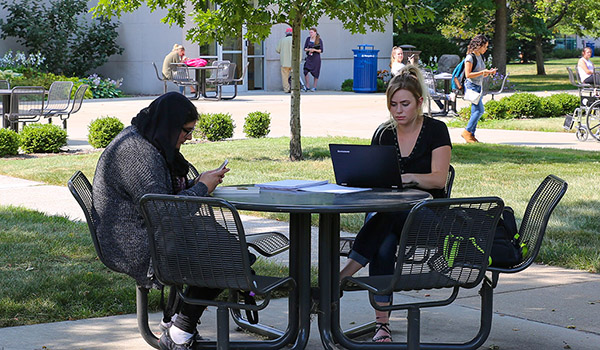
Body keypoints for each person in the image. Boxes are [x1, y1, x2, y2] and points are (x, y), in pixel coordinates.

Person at [92, 92, 229, 350]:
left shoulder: (146, 139)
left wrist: (198, 183)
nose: (188, 138)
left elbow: (160, 196)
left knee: (225, 245)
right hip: (135, 246)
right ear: (169, 126)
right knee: (224, 255)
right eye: (186, 131)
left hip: (146, 234)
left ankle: (178, 322)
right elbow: (163, 212)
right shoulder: (137, 153)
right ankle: (179, 332)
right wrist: (201, 189)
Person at [339, 65, 452, 343]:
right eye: (393, 104)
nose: (398, 110)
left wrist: (409, 178)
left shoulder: (437, 130)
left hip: (426, 218)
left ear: (419, 102)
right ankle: (382, 326)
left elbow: (439, 180)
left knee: (387, 220)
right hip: (386, 213)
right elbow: (374, 178)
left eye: (405, 104)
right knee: (385, 239)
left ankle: (342, 275)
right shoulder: (383, 133)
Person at [390, 46, 454, 110]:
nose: (401, 55)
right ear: (394, 56)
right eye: (398, 54)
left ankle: (443, 104)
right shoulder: (397, 65)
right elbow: (409, 74)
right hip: (408, 86)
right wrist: (412, 64)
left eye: (401, 53)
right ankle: (447, 98)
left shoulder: (398, 64)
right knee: (429, 89)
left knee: (430, 88)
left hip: (408, 85)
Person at [461, 34, 497, 143]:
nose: (486, 49)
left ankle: (471, 135)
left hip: (478, 86)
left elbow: (479, 73)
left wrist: (487, 73)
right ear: (479, 45)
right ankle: (467, 132)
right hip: (471, 86)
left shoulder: (480, 56)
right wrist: (482, 72)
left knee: (475, 111)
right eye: (485, 46)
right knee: (479, 110)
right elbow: (468, 74)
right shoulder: (470, 57)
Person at [303, 27, 323, 92]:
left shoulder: (319, 40)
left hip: (316, 58)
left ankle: (314, 87)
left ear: (315, 32)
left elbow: (321, 50)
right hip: (309, 57)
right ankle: (307, 86)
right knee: (305, 70)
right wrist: (309, 50)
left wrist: (314, 50)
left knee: (316, 72)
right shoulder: (308, 39)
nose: (310, 34)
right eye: (309, 32)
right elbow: (305, 48)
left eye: (311, 32)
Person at [276, 27, 293, 93]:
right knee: (294, 76)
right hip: (293, 62)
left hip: (284, 62)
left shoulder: (282, 40)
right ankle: (294, 88)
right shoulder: (296, 40)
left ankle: (286, 89)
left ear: (286, 33)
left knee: (285, 77)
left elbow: (277, 50)